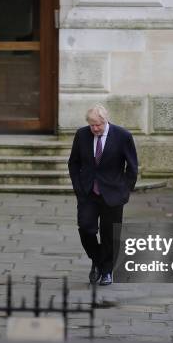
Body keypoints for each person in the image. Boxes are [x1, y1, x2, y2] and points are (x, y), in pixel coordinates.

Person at [68, 104, 138, 286]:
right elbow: (73, 163)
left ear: (105, 120)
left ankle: (106, 271)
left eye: (98, 125)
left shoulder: (123, 136)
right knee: (85, 228)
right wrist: (78, 187)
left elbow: (132, 167)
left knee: (109, 234)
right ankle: (97, 260)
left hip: (113, 194)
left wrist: (125, 191)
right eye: (91, 125)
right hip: (88, 193)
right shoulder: (82, 135)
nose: (95, 129)